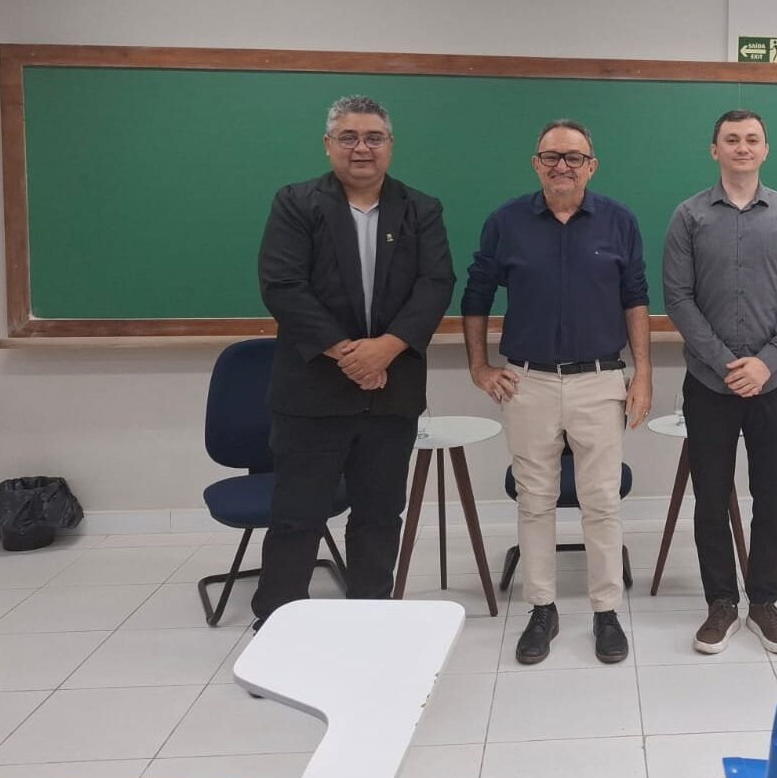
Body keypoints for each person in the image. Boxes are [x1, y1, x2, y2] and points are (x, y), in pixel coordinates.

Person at [253, 95, 455, 626]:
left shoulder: (421, 209)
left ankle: (370, 623)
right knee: (297, 517)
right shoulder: (296, 203)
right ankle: (277, 626)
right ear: (328, 144)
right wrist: (349, 354)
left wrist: (385, 349)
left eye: (373, 138)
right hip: (312, 393)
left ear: (390, 145)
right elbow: (282, 285)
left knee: (379, 517)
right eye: (348, 137)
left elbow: (436, 284)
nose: (361, 148)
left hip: (391, 393)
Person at [462, 119, 652, 665]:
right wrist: (479, 367)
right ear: (536, 163)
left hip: (600, 380)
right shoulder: (506, 222)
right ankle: (541, 609)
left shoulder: (619, 221)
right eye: (552, 156)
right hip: (529, 383)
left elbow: (635, 297)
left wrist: (643, 374)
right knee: (535, 501)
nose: (562, 166)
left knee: (602, 501)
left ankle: (606, 612)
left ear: (592, 165)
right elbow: (476, 295)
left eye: (574, 157)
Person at [663, 109, 777, 655]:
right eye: (731, 139)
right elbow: (678, 298)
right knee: (710, 497)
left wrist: (766, 362)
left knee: (771, 497)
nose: (742, 147)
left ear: (765, 149)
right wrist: (728, 363)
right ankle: (721, 603)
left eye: (752, 139)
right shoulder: (688, 216)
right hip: (709, 385)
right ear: (715, 150)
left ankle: (765, 603)